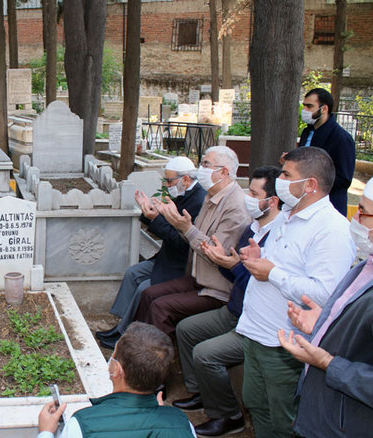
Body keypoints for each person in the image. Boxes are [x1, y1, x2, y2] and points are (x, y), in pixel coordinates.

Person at [235, 147, 355, 437]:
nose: (280, 181)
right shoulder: (287, 215)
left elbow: (326, 294)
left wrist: (272, 272)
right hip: (256, 332)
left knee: (284, 421)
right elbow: (285, 263)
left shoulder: (331, 230)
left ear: (310, 184)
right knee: (257, 405)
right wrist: (259, 255)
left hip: (285, 345)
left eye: (287, 175)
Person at [278, 169, 373, 437]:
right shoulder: (371, 264)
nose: (356, 219)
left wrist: (327, 362)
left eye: (364, 213)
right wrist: (326, 323)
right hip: (325, 414)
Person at [173, 166, 283, 437]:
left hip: (253, 321)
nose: (247, 197)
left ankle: (228, 415)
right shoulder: (253, 228)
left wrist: (235, 266)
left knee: (206, 354)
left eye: (254, 193)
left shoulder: (278, 235)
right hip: (236, 311)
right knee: (186, 329)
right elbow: (234, 274)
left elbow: (258, 282)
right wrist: (223, 259)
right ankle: (201, 392)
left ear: (273, 200)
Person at [123, 146, 251, 342]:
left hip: (215, 287)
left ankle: (155, 362)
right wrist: (170, 220)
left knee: (160, 307)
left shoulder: (235, 206)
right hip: (194, 276)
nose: (201, 169)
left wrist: (183, 226)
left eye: (207, 164)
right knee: (148, 294)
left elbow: (215, 252)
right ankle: (133, 348)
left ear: (224, 172)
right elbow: (188, 234)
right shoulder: (211, 197)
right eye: (202, 164)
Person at [96, 156, 206, 343]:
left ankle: (127, 334)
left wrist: (156, 218)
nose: (167, 184)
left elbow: (180, 240)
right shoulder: (183, 193)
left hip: (179, 265)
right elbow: (167, 225)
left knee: (143, 288)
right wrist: (149, 214)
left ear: (185, 179)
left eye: (170, 180)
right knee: (133, 273)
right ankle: (122, 324)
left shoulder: (198, 201)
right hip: (166, 258)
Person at [37, 322, 195, 438]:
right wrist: (163, 417)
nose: (110, 359)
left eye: (113, 355)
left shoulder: (82, 424)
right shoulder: (183, 424)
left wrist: (46, 432)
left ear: (118, 370)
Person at [297, 88, 355, 216]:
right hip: (305, 202)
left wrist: (314, 181)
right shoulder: (307, 132)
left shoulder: (341, 138)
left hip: (329, 206)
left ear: (324, 109)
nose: (305, 110)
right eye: (304, 106)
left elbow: (344, 179)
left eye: (309, 106)